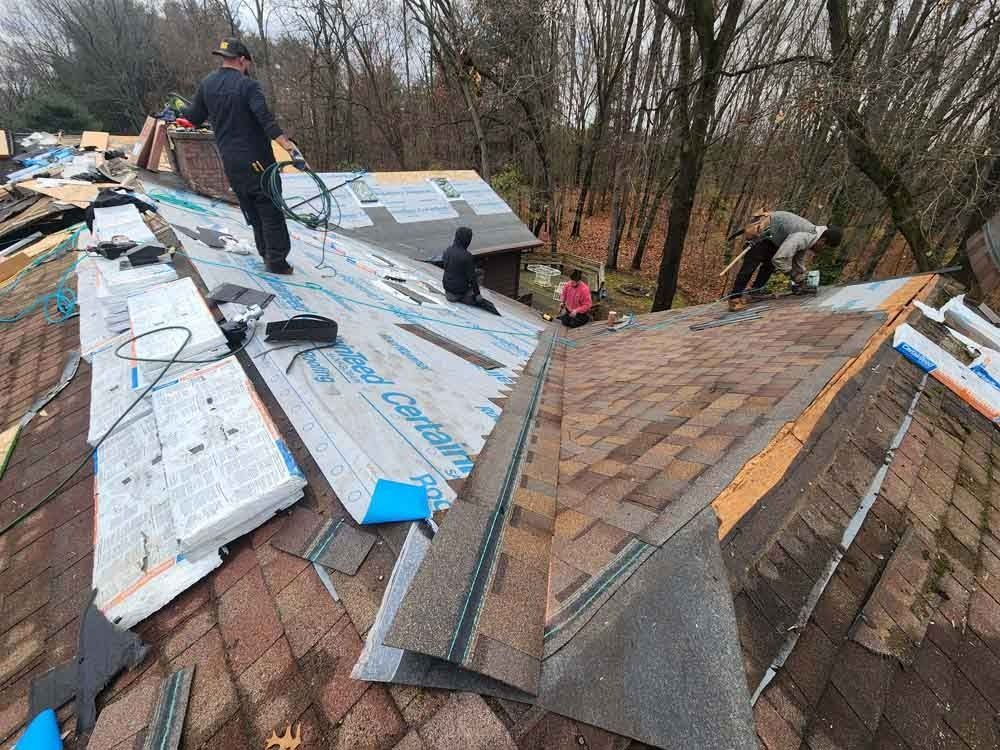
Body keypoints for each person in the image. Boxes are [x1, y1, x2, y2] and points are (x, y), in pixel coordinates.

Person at [182, 38, 305, 275]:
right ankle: (277, 261)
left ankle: (265, 253)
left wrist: (182, 111)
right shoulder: (248, 86)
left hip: (230, 162)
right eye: (247, 63)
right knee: (270, 209)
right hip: (258, 161)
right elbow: (265, 119)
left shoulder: (207, 84)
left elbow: (194, 118)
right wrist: (290, 148)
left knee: (252, 209)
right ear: (241, 60)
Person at [728, 210, 842, 311]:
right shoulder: (805, 236)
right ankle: (734, 298)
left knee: (769, 265)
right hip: (763, 232)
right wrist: (793, 275)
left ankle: (755, 291)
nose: (823, 250)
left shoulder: (812, 237)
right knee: (750, 267)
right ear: (823, 240)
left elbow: (798, 258)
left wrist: (801, 277)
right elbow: (779, 259)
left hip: (775, 238)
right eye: (825, 247)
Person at [442, 227, 500, 315]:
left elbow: (447, 268)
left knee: (477, 271)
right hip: (458, 293)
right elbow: (472, 278)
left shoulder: (447, 250)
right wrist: (477, 295)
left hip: (448, 291)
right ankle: (469, 296)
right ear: (466, 240)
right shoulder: (467, 256)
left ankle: (464, 294)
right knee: (479, 273)